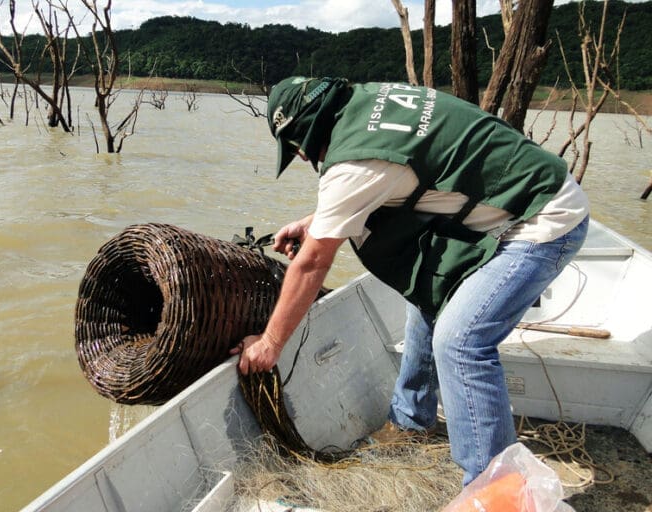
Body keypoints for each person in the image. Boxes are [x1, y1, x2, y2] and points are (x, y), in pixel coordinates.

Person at [229, 76, 589, 485]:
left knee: (460, 343)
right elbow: (391, 175)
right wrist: (315, 222)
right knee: (427, 299)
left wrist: (271, 342)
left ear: (306, 139)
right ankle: (410, 422)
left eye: (297, 150)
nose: (303, 157)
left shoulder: (352, 164)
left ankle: (494, 490)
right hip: (523, 198)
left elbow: (312, 264)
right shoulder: (369, 101)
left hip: (543, 219)